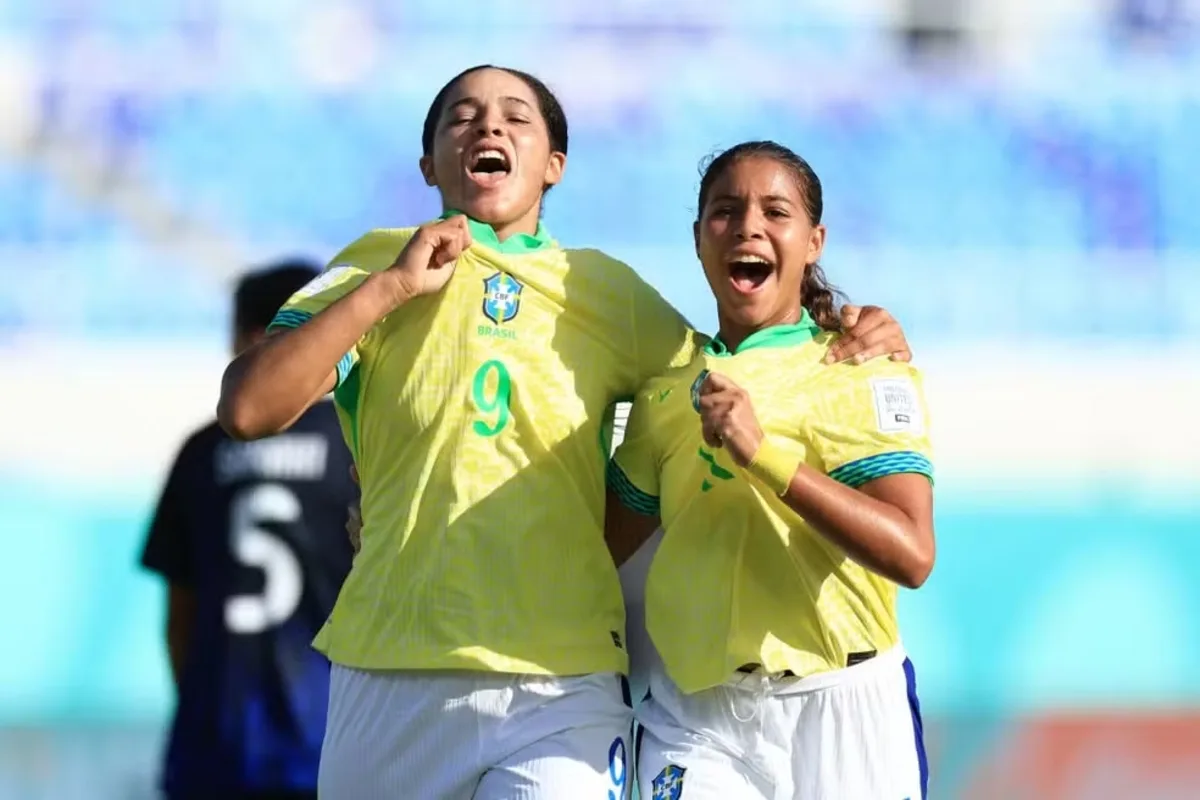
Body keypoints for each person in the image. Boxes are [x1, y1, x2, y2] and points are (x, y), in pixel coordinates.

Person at [217, 66, 915, 800]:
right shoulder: (372, 264)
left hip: (562, 686)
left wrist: (848, 322)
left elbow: (728, 365)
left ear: (555, 164)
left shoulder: (605, 293)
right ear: (428, 163)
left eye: (516, 117)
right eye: (462, 116)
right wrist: (390, 288)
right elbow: (248, 409)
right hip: (390, 664)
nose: (488, 128)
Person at [605, 141, 935, 800]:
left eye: (774, 211)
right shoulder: (665, 394)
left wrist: (763, 456)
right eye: (725, 211)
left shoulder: (860, 367)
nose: (749, 226)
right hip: (697, 720)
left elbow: (912, 554)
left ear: (814, 241)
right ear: (699, 240)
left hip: (844, 706)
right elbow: (590, 554)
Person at [140, 260, 358, 800]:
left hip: (216, 744)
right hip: (332, 742)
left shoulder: (202, 452)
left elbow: (178, 619)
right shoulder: (358, 445)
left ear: (258, 335)